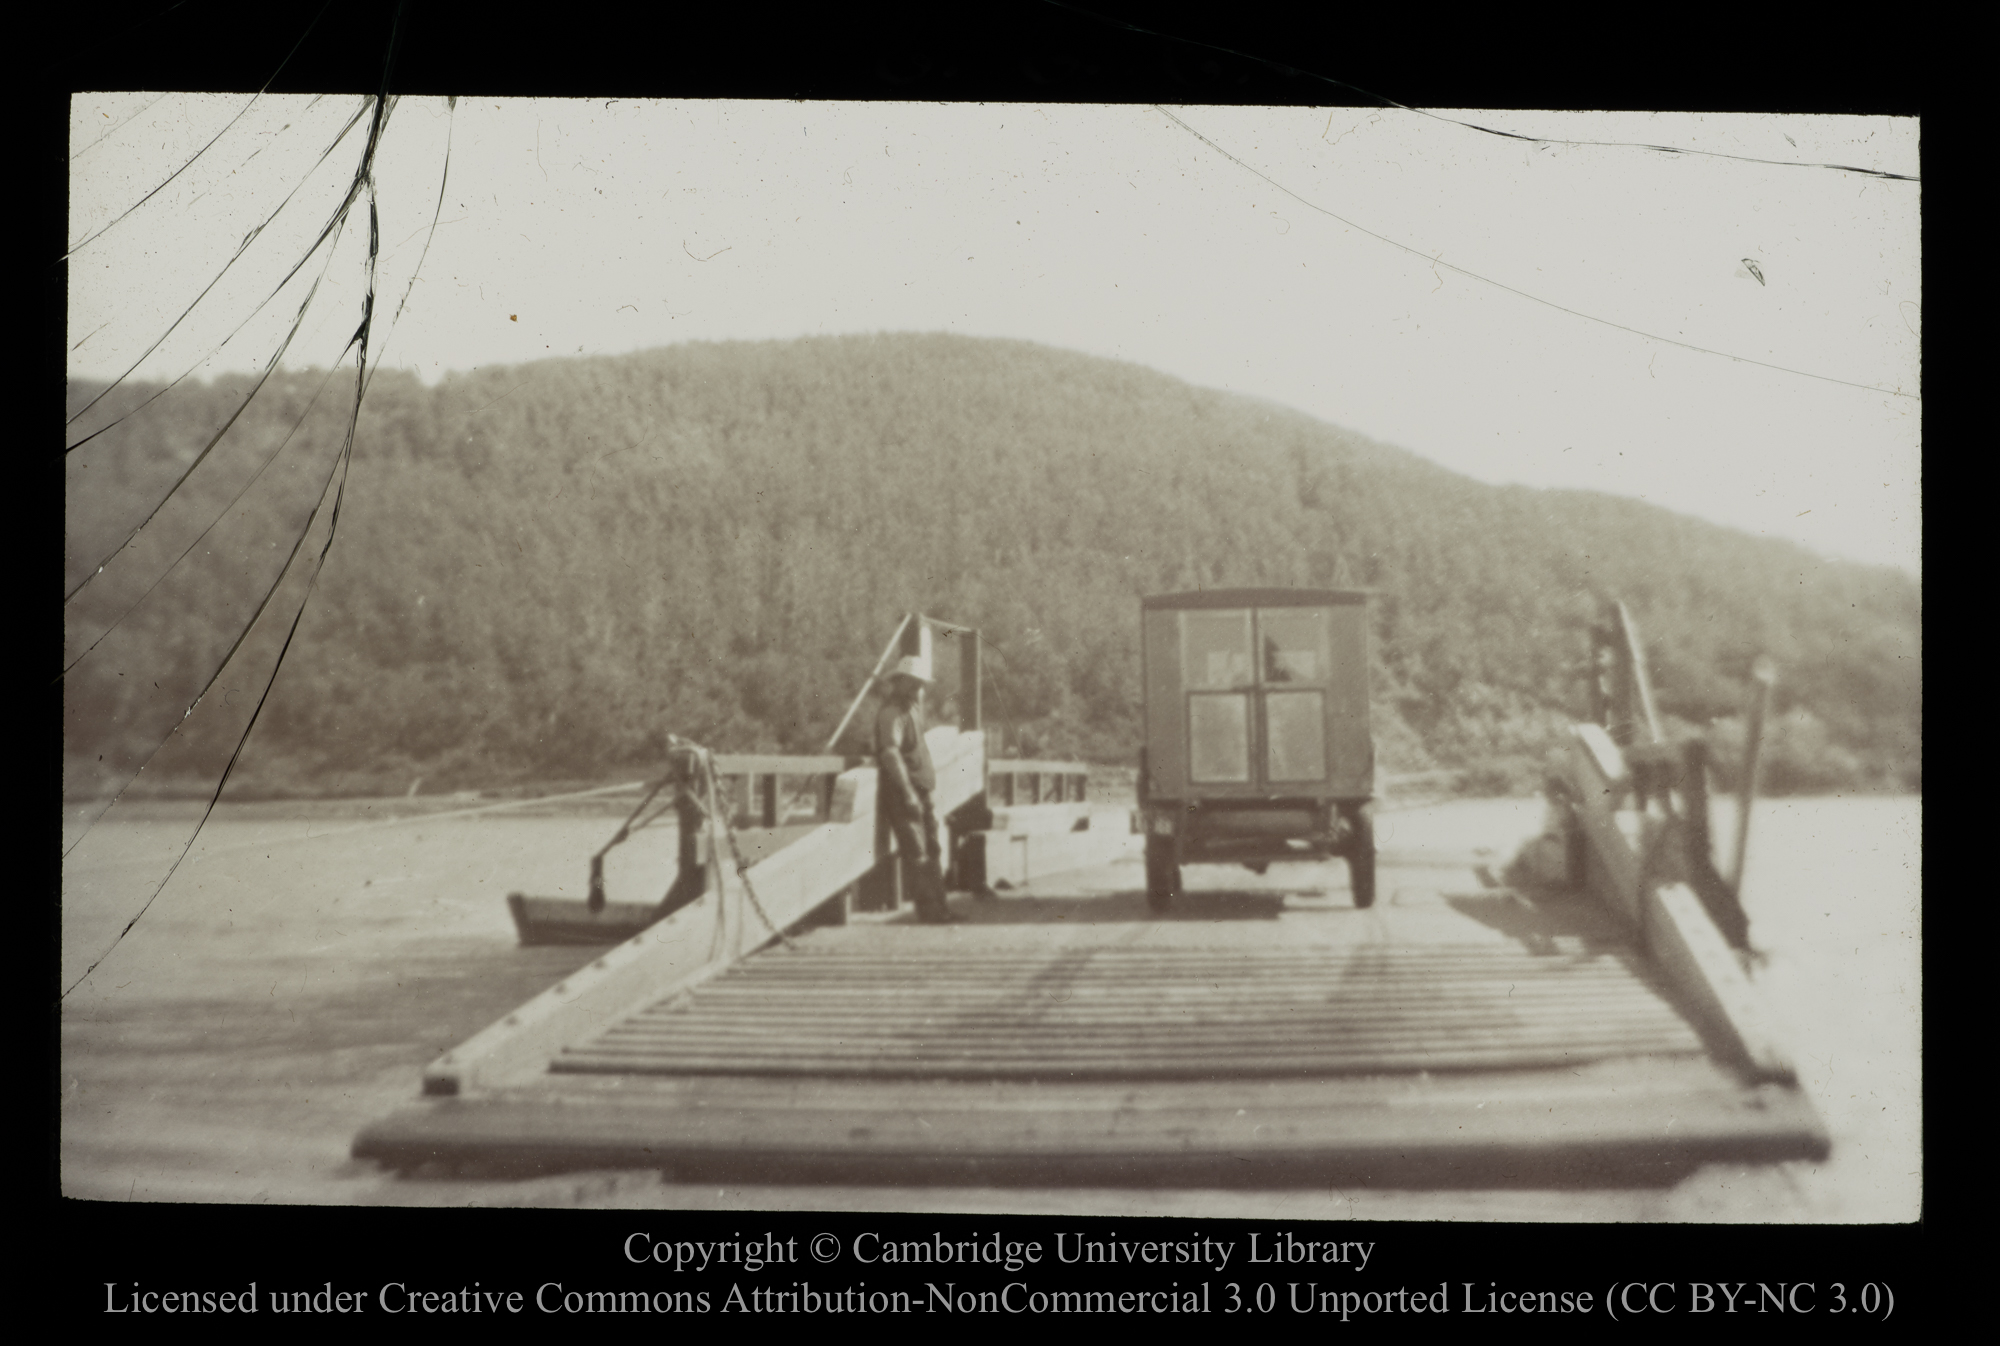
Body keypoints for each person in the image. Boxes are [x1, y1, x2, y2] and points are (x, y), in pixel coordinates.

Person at [874, 655, 958, 924]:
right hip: (904, 792)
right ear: (899, 682)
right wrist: (908, 792)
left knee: (932, 849)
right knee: (918, 852)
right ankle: (931, 912)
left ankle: (941, 908)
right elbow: (889, 753)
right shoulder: (892, 713)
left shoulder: (911, 709)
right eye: (912, 683)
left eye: (919, 684)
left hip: (920, 789)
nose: (916, 689)